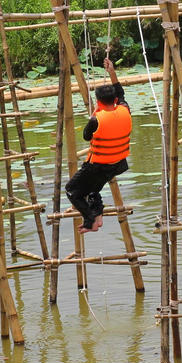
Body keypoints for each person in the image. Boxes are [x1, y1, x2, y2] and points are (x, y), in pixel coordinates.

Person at [66, 59, 130, 233]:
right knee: (93, 188)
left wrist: (94, 114)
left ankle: (90, 221)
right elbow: (121, 93)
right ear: (115, 100)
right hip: (118, 164)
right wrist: (112, 72)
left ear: (98, 101)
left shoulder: (96, 119)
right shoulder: (124, 109)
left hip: (97, 166)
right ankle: (98, 216)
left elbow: (86, 137)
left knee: (72, 190)